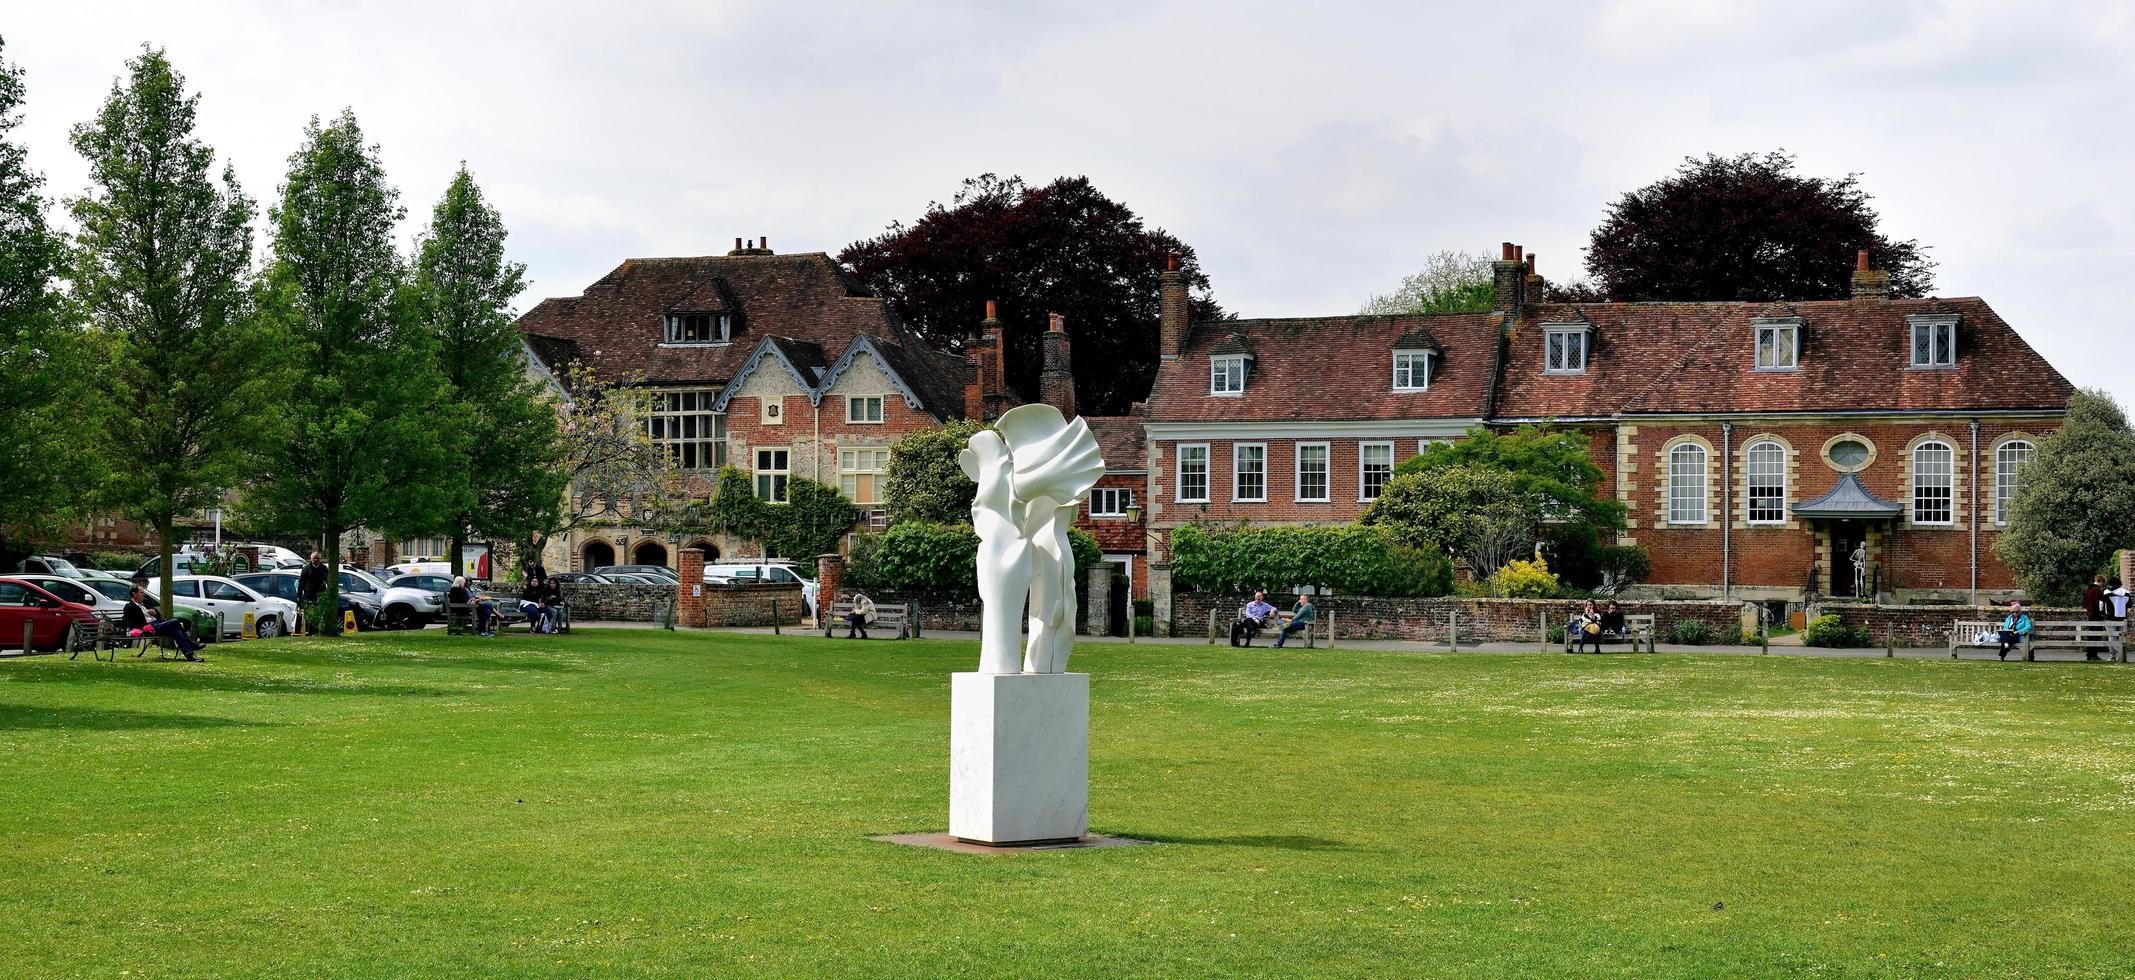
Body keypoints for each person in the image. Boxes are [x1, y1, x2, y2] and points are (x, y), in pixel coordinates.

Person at [121, 584, 201, 661]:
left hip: (158, 624)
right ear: (134, 594)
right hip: (148, 628)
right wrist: (141, 628)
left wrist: (155, 613)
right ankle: (191, 646)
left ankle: (190, 655)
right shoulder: (129, 607)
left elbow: (159, 617)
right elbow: (126, 621)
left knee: (176, 630)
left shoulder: (146, 603)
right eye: (141, 593)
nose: (144, 595)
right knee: (175, 622)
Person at [2084, 575, 2110, 660]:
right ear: (2101, 581)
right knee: (2096, 635)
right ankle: (2094, 655)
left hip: (2090, 614)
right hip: (2096, 615)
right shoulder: (2096, 589)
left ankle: (2089, 654)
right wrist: (2101, 613)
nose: (2103, 585)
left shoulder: (2088, 589)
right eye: (2103, 583)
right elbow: (2098, 603)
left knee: (2091, 634)